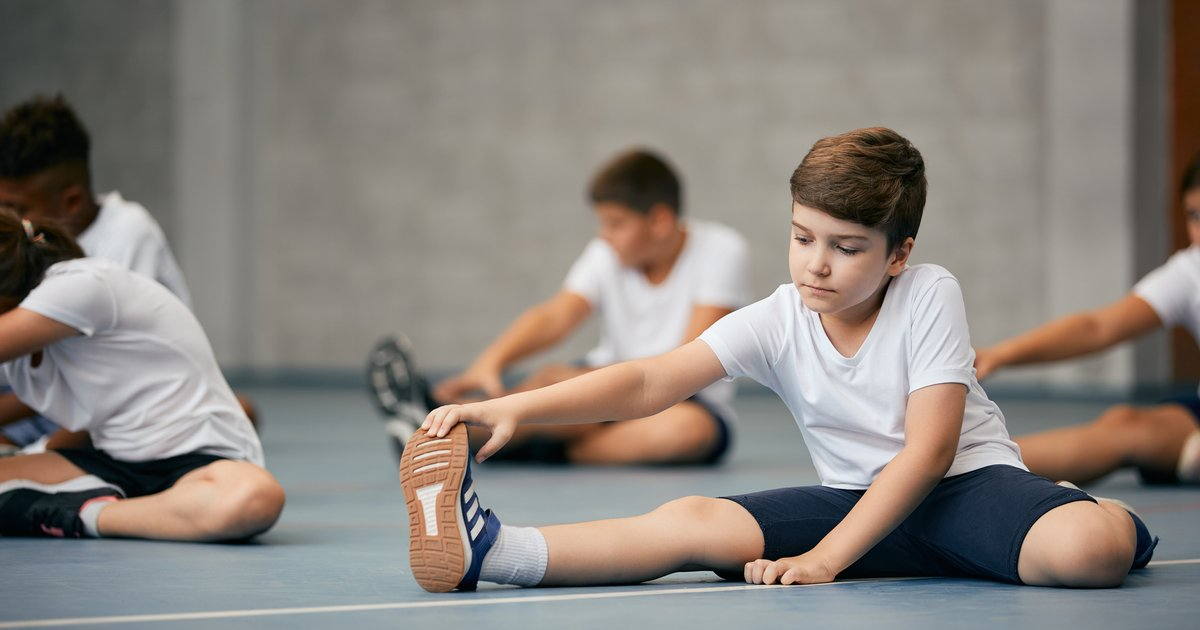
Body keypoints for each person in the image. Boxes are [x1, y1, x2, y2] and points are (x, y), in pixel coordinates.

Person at [400, 127, 1155, 593]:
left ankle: (1093, 510)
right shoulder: (780, 317)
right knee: (692, 522)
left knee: (1088, 552)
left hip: (965, 491)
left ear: (899, 254)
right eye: (802, 238)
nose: (816, 264)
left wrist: (826, 559)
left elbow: (928, 454)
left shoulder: (929, 293)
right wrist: (512, 407)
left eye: (847, 247)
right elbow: (649, 380)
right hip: (854, 502)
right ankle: (493, 551)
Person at [371, 148, 751, 465]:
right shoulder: (607, 252)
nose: (605, 235)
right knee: (554, 381)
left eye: (616, 223)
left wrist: (602, 395)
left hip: (683, 398)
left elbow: (686, 357)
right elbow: (556, 316)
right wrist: (492, 360)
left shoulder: (721, 249)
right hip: (609, 380)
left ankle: (492, 439)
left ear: (660, 221)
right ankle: (443, 424)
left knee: (684, 431)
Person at [0, 214, 283, 540]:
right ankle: (110, 508)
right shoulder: (23, 332)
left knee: (254, 498)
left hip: (196, 462)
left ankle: (81, 515)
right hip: (111, 461)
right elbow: (95, 414)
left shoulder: (80, 284)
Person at [0, 94, 255, 452]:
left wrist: (39, 453)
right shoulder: (26, 246)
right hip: (43, 390)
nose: (6, 217)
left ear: (72, 201)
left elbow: (104, 380)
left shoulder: (122, 239)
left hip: (102, 397)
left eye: (14, 207)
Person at [974, 153, 1200, 486]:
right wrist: (1000, 355)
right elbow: (1097, 328)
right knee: (1125, 425)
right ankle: (969, 465)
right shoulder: (1191, 270)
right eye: (1194, 215)